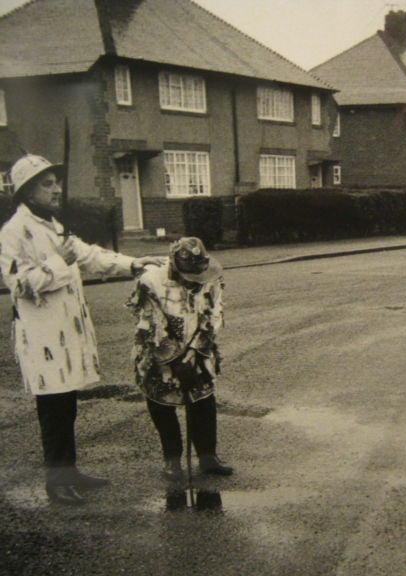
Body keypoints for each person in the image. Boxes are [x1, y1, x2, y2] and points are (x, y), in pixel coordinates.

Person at [0, 154, 163, 506]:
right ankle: (56, 483)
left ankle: (69, 472)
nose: (56, 188)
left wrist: (134, 263)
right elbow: (19, 284)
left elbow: (90, 255)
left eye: (56, 181)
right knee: (54, 410)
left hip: (66, 334)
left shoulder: (53, 225)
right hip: (43, 338)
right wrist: (61, 262)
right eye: (47, 183)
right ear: (27, 192)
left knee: (67, 405)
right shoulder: (14, 232)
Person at [127, 236, 233, 481]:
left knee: (203, 399)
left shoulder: (212, 275)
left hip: (198, 348)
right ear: (175, 266)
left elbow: (214, 312)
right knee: (162, 404)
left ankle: (208, 457)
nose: (194, 282)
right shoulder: (150, 281)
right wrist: (174, 360)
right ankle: (172, 460)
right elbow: (151, 324)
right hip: (159, 351)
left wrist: (196, 351)